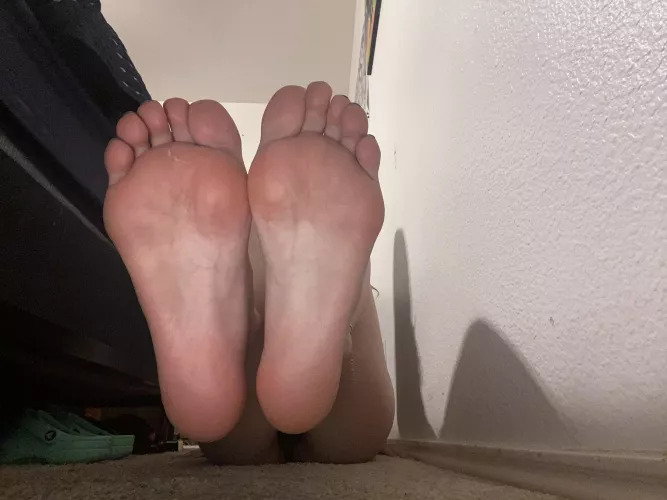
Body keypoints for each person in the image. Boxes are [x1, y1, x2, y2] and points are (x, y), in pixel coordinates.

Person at [102, 81, 394, 464]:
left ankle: (248, 331)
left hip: (246, 391)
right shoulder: (300, 224)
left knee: (236, 445)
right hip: (342, 386)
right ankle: (339, 333)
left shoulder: (250, 228)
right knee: (350, 441)